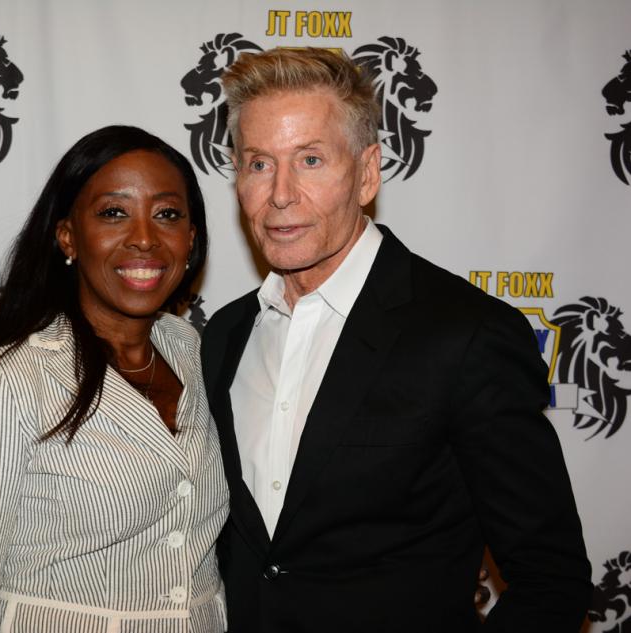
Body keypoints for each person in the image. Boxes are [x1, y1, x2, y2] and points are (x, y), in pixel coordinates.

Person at [200, 47, 592, 632]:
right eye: (259, 164)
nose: (280, 193)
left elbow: (551, 578)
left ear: (367, 173)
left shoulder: (467, 335)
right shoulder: (226, 335)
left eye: (310, 160)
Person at [0, 126, 228, 633]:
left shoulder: (192, 350)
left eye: (167, 214)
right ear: (68, 237)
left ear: (191, 239)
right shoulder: (8, 376)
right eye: (114, 213)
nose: (144, 237)